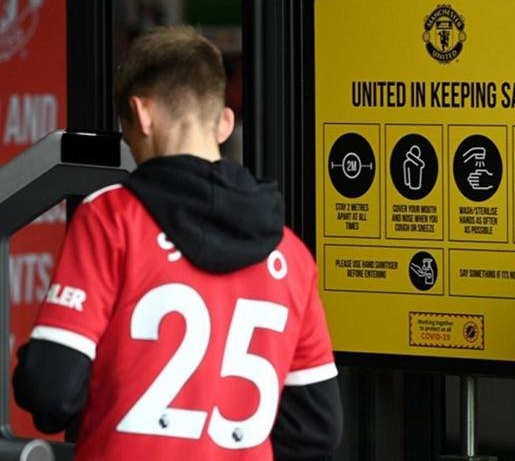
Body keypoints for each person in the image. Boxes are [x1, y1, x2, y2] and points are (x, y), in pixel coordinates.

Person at [13, 26, 342, 460]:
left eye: (128, 134)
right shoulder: (290, 254)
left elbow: (50, 389)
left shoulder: (113, 219)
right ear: (224, 123)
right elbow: (317, 427)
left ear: (142, 115)